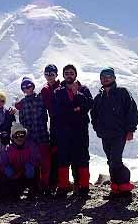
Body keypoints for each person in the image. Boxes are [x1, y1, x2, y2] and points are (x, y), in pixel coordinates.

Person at [91, 66, 138, 198]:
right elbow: (93, 114)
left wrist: (130, 130)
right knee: (110, 160)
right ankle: (116, 188)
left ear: (113, 78)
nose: (105, 79)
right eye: (103, 77)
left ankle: (125, 186)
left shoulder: (122, 93)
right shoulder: (98, 98)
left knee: (115, 160)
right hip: (105, 134)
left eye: (108, 76)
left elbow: (132, 111)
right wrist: (97, 128)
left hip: (119, 134)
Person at [53, 64, 93, 198]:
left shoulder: (84, 89)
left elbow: (88, 105)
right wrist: (76, 109)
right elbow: (58, 110)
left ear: (75, 74)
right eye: (66, 73)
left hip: (80, 130)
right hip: (64, 131)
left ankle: (84, 187)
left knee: (82, 158)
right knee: (63, 158)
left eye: (71, 73)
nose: (69, 75)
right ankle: (63, 187)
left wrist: (77, 94)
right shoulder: (58, 91)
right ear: (63, 75)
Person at [18, 77, 51, 194]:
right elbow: (22, 121)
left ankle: (46, 185)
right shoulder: (22, 103)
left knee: (45, 162)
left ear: (33, 86)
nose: (27, 89)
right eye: (24, 87)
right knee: (33, 162)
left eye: (29, 86)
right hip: (30, 138)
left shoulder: (41, 98)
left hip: (42, 135)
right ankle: (36, 186)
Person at [1, 123, 40, 199]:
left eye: (22, 135)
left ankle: (32, 189)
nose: (19, 138)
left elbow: (37, 159)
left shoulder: (31, 145)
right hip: (15, 175)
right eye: (16, 135)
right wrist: (7, 169)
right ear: (12, 137)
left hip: (27, 175)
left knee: (31, 168)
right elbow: (3, 164)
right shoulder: (7, 149)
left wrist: (30, 165)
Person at [40, 64, 61, 193]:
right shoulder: (45, 89)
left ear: (56, 75)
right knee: (54, 152)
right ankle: (53, 183)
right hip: (54, 122)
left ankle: (63, 182)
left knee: (64, 151)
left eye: (52, 74)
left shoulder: (63, 85)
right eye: (47, 74)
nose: (49, 77)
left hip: (65, 122)